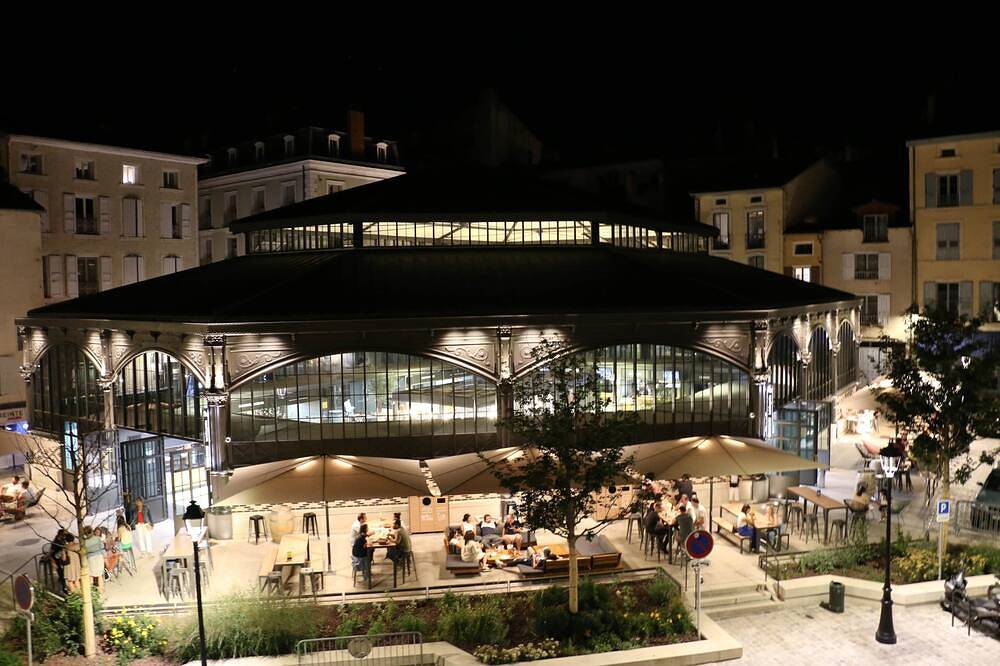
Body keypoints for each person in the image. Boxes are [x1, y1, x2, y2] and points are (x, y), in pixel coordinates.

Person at [82, 526, 105, 592]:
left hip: (90, 558)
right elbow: (102, 546)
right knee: (99, 575)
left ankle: (91, 592)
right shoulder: (97, 538)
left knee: (91, 575)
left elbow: (84, 551)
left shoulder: (85, 542)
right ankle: (101, 591)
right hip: (99, 556)